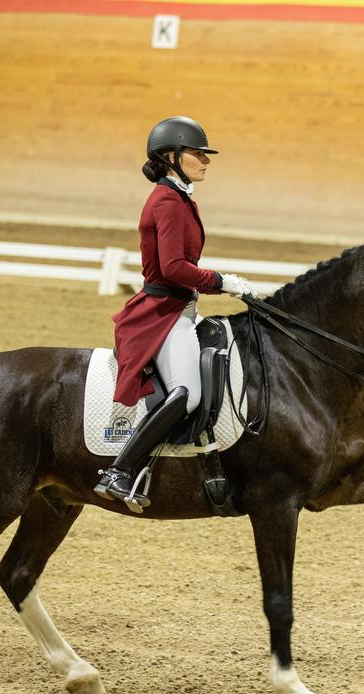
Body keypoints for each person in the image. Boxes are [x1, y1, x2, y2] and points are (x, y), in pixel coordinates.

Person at [95, 116, 256, 509]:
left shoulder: (181, 198)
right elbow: (172, 268)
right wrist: (222, 281)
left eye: (205, 154)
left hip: (182, 308)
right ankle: (120, 470)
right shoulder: (166, 201)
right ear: (171, 156)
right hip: (163, 313)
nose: (206, 160)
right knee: (187, 393)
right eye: (197, 153)